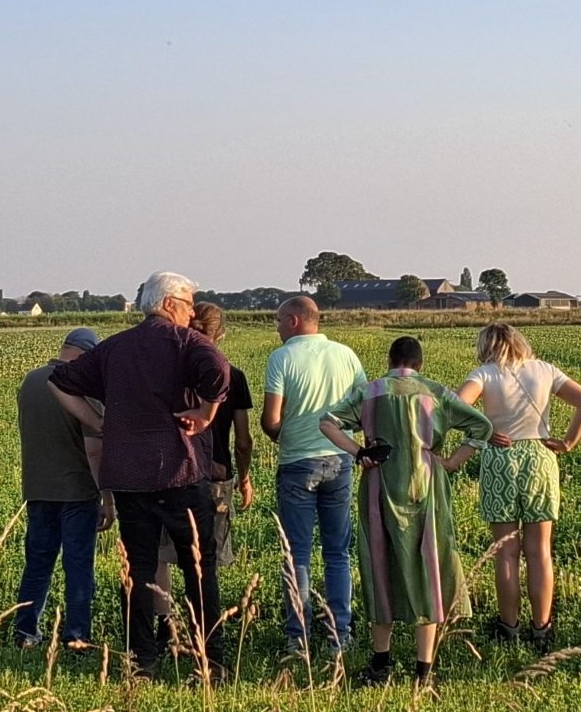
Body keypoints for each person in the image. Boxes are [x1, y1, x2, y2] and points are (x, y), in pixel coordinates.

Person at [47, 273, 233, 673]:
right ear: (168, 304)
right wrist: (205, 414)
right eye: (187, 303)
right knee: (200, 569)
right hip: (183, 472)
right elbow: (220, 371)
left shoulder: (114, 348)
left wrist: (98, 423)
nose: (192, 312)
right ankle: (210, 659)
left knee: (139, 569)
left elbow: (59, 381)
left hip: (130, 477)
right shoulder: (188, 343)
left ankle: (142, 660)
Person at [320, 336, 492, 685]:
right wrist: (452, 461)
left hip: (379, 483)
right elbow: (482, 426)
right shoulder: (436, 392)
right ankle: (423, 670)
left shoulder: (369, 392)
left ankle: (380, 663)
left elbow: (327, 422)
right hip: (426, 485)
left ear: (389, 359)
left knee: (378, 563)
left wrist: (359, 453)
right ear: (420, 363)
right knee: (427, 563)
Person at [457, 323, 581, 650]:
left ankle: (508, 627)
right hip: (540, 457)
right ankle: (542, 629)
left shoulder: (485, 374)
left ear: (486, 346)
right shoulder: (544, 370)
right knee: (540, 551)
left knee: (505, 552)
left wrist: (485, 431)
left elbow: (454, 407)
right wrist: (570, 441)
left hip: (500, 459)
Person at [259, 294, 367, 660]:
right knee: (337, 552)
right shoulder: (346, 355)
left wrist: (283, 434)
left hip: (297, 463)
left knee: (297, 554)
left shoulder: (282, 358)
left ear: (293, 321)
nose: (275, 328)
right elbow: (363, 407)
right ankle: (341, 633)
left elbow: (271, 419)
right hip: (339, 460)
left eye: (277, 321)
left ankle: (298, 637)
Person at [14, 325, 109, 650]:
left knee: (38, 563)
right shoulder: (82, 385)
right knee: (78, 566)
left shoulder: (30, 381)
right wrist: (107, 498)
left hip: (38, 488)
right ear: (87, 355)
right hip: (78, 491)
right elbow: (94, 449)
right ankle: (76, 636)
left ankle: (25, 631)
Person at [189, 303, 255, 574]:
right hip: (217, 469)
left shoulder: (176, 372)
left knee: (164, 551)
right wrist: (244, 478)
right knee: (210, 551)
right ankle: (206, 611)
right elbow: (242, 441)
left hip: (176, 470)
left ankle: (165, 613)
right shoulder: (234, 375)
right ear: (222, 334)